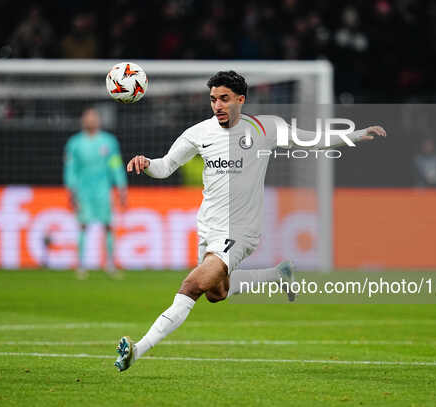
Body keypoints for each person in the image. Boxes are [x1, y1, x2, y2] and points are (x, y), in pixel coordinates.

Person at [114, 71, 387, 371]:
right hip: (208, 227)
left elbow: (312, 141)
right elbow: (165, 166)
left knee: (192, 285)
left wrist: (356, 134)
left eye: (224, 99)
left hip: (240, 231)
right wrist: (146, 163)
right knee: (217, 293)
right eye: (213, 99)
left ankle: (136, 350)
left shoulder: (264, 127)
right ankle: (278, 275)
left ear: (240, 100)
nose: (217, 105)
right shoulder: (199, 133)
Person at [64, 108, 127, 278]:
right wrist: (71, 189)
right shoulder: (74, 143)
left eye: (93, 118)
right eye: (87, 118)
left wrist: (121, 186)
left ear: (98, 120)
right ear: (83, 121)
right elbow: (71, 169)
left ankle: (110, 264)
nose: (90, 121)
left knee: (108, 225)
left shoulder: (108, 142)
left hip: (103, 190)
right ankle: (81, 265)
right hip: (83, 191)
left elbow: (115, 165)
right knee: (83, 225)